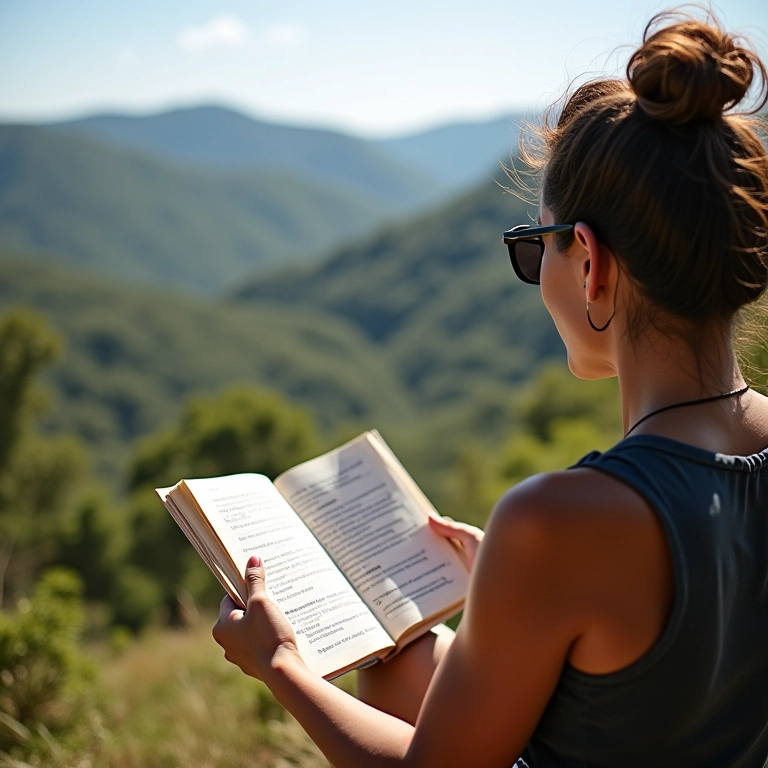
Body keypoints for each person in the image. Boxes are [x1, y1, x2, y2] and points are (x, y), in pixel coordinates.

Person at [212, 8, 768, 767]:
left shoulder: (558, 522)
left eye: (535, 250)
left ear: (591, 262)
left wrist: (280, 664)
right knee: (400, 655)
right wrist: (514, 585)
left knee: (389, 665)